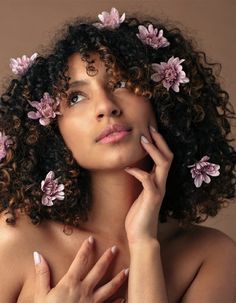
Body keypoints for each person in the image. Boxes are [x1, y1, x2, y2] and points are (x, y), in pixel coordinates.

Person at [0, 7, 236, 303]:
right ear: (52, 128)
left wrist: (144, 245)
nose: (105, 106)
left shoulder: (210, 256)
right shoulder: (15, 242)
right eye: (76, 97)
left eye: (122, 83)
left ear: (161, 101)